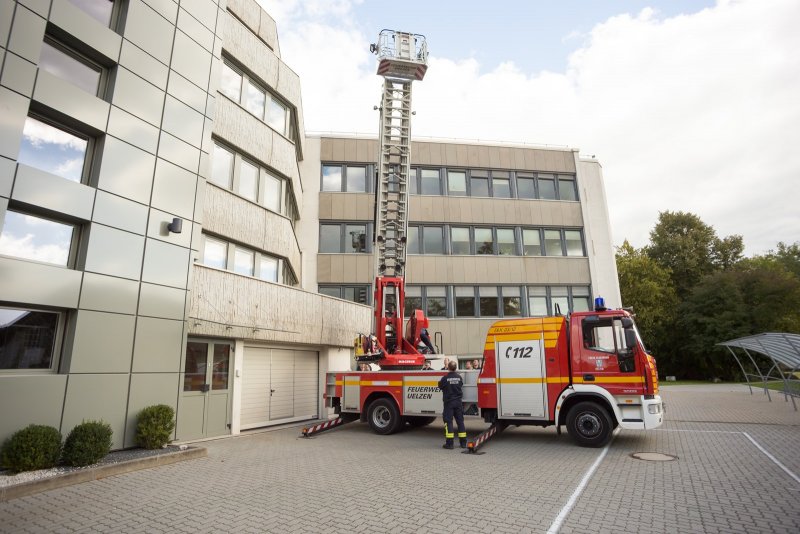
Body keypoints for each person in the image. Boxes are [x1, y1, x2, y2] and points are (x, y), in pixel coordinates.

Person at [437, 360, 467, 449]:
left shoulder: (445, 378)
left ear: (448, 368)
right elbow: (460, 385)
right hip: (458, 402)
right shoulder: (459, 377)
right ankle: (463, 443)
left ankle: (450, 444)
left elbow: (440, 386)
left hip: (449, 403)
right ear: (455, 368)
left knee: (448, 422)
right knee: (460, 422)